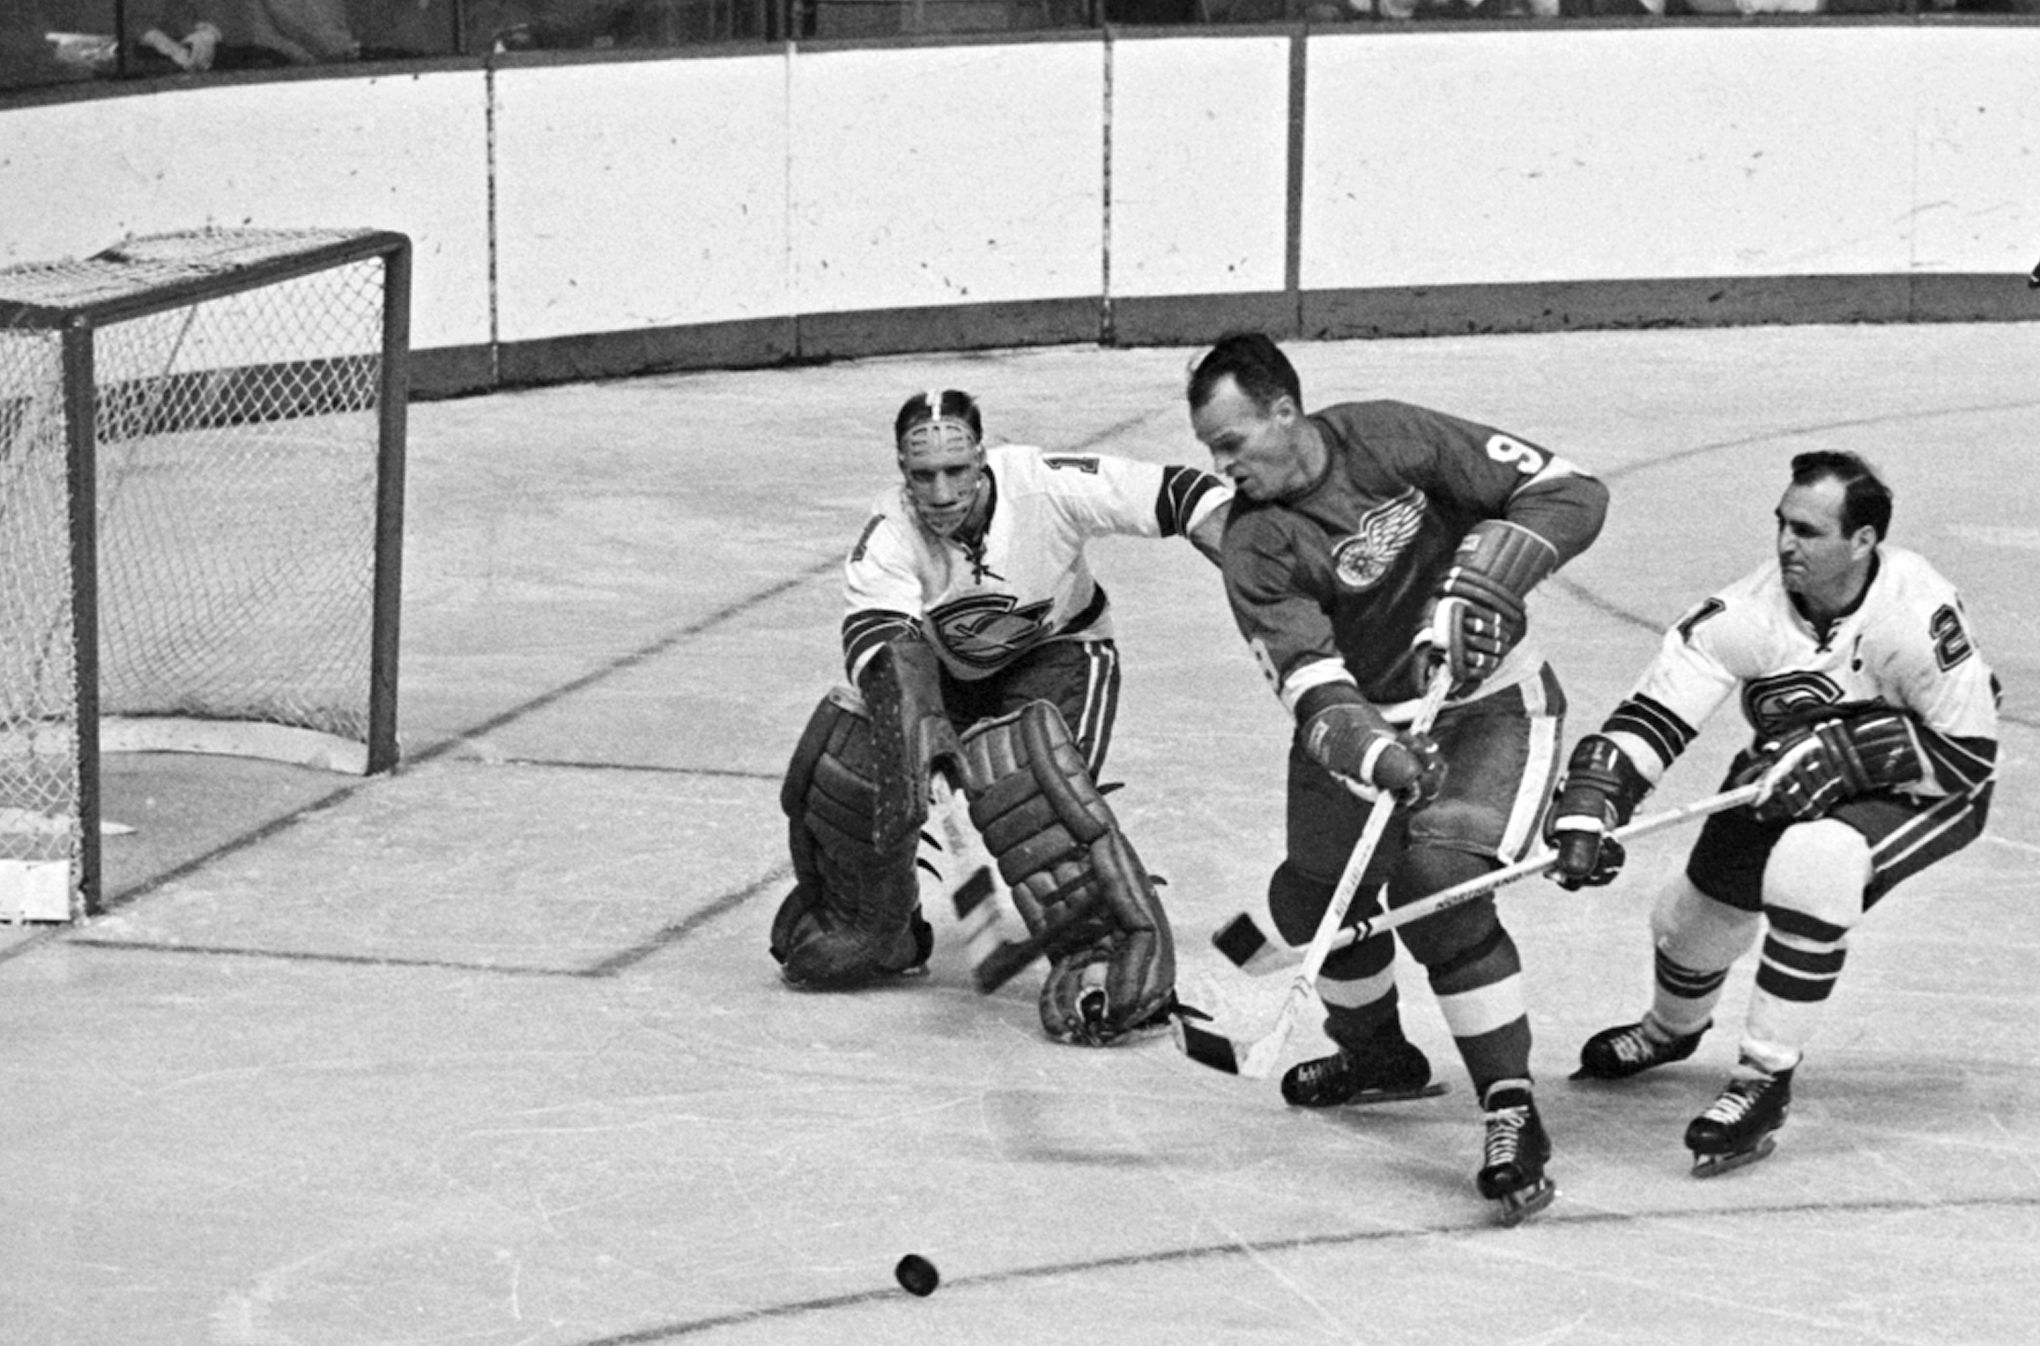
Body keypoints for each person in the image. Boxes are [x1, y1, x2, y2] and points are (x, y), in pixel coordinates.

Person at [1185, 332, 1608, 1224]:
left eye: (1231, 444)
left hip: (1495, 707)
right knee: (1310, 900)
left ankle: (1510, 1111)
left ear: (1283, 412)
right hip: (1373, 725)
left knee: (1440, 884)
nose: (1224, 470)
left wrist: (1493, 570)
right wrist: (1371, 751)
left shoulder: (1392, 437)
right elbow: (1310, 682)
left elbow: (1570, 490)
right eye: (1210, 453)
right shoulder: (1254, 544)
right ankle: (1379, 1055)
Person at [1547, 450, 1997, 1175]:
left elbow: (1971, 757)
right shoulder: (1746, 612)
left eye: (1810, 532)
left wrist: (1852, 757)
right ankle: (1671, 1030)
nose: (1787, 544)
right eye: (1783, 525)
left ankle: (1762, 1078)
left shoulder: (1915, 616)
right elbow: (1655, 715)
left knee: (1811, 866)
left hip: (1923, 786)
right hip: (1793, 770)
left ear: (1863, 541)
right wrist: (1593, 801)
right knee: (1688, 922)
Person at [771, 388, 1232, 1047]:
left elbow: (1182, 493)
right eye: (922, 474)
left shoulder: (1042, 485)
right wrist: (917, 728)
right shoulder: (888, 535)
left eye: (956, 471)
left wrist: (1252, 558)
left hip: (1061, 655)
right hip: (941, 675)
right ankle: (874, 921)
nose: (939, 491)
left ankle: (1095, 947)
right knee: (855, 758)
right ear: (902, 470)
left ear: (982, 459)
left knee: (1030, 789)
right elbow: (881, 645)